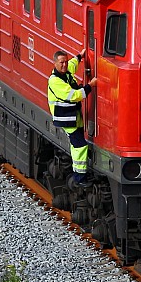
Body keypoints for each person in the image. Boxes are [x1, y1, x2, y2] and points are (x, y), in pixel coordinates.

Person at [47, 49, 94, 185]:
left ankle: (80, 173)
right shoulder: (55, 81)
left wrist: (80, 56)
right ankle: (80, 177)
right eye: (62, 62)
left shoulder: (65, 73)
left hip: (73, 117)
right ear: (55, 63)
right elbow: (74, 95)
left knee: (76, 145)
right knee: (80, 145)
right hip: (66, 118)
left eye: (65, 62)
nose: (65, 65)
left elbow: (72, 64)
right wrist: (90, 86)